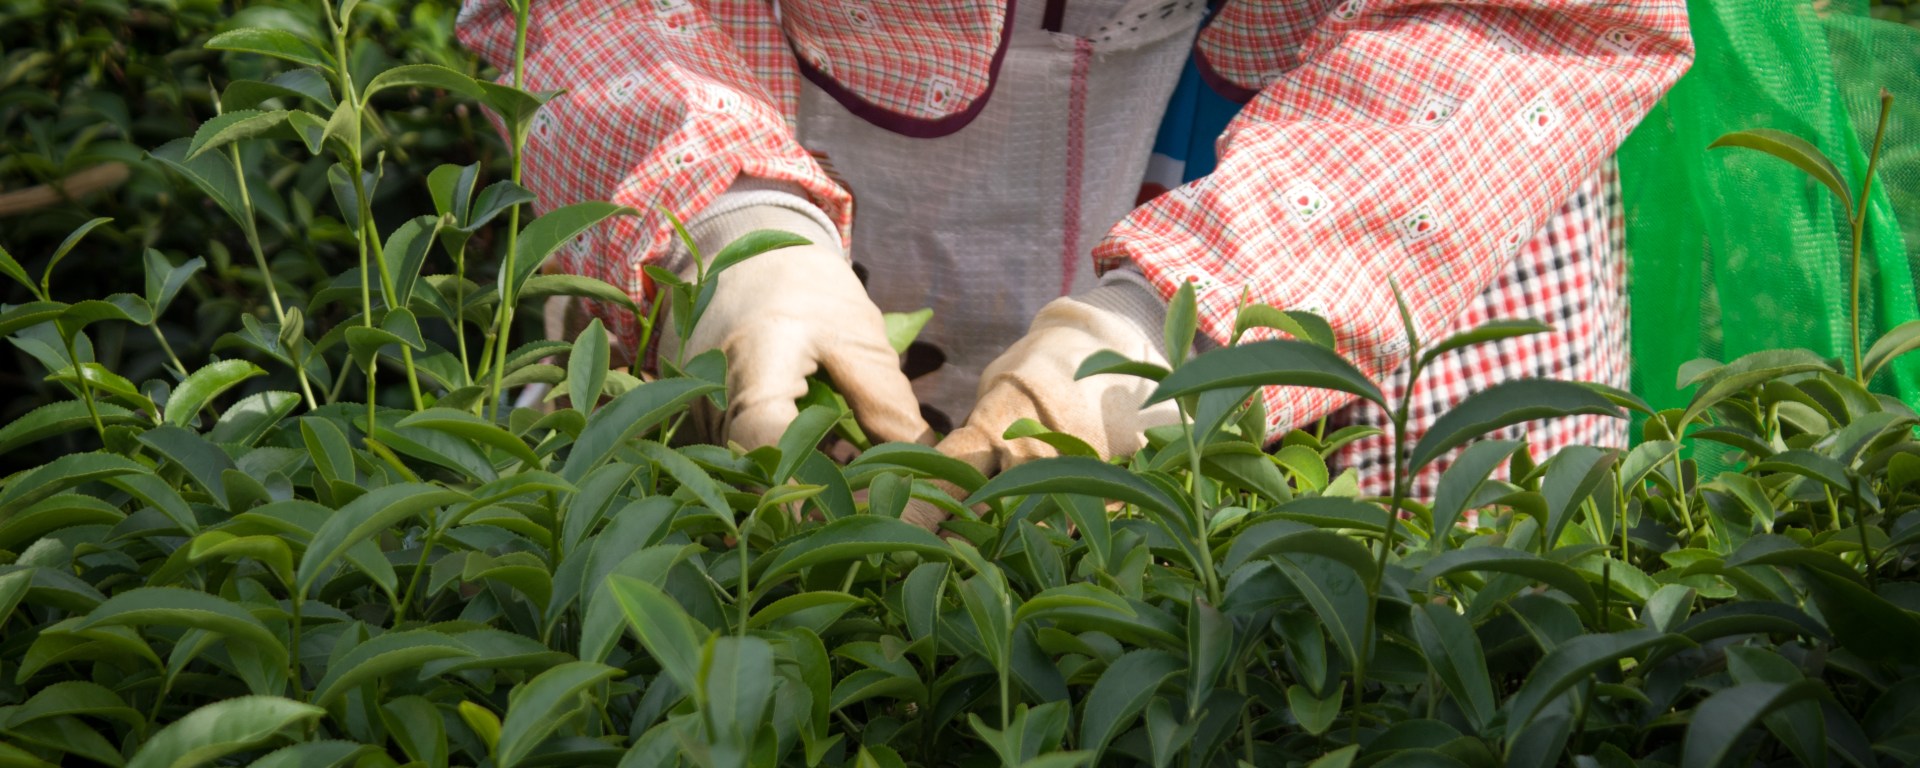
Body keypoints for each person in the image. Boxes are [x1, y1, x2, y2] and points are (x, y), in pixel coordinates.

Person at [458, 0, 1692, 527]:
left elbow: (1511, 20)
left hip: (1377, 180)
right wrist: (727, 225)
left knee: (1357, 644)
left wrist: (1173, 332)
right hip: (797, 117)